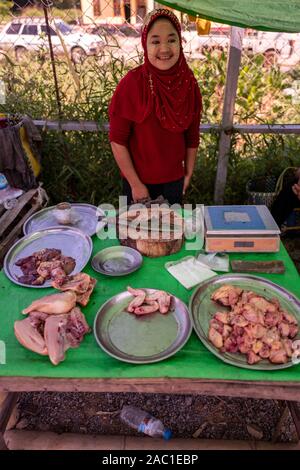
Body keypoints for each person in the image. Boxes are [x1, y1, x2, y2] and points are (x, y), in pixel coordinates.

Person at [109, 8, 202, 205]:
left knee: (171, 235)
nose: (164, 49)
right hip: (137, 185)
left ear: (180, 42)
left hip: (174, 183)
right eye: (155, 41)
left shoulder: (188, 83)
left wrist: (188, 174)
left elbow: (192, 136)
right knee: (135, 236)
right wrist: (135, 184)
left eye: (171, 39)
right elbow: (118, 141)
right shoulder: (132, 84)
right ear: (145, 44)